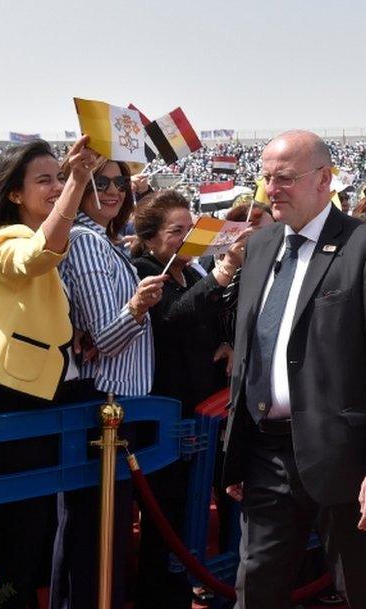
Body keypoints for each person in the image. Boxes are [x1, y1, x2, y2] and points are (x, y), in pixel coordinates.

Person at [221, 130, 366, 609]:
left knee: (364, 589)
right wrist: (238, 448)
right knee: (256, 587)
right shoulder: (261, 246)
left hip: (344, 460)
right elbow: (251, 348)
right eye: (266, 179)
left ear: (324, 179)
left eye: (284, 178)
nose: (272, 189)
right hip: (267, 453)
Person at [0, 137, 95, 609]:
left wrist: (71, 340)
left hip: (40, 393)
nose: (55, 187)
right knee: (15, 528)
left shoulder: (44, 235)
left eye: (59, 177)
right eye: (44, 180)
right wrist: (79, 182)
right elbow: (38, 255)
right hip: (10, 395)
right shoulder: (2, 238)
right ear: (13, 193)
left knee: (33, 524)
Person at [52, 158, 166, 609]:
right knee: (95, 531)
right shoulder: (85, 242)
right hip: (105, 401)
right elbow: (107, 337)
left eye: (120, 182)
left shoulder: (102, 240)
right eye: (100, 182)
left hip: (114, 399)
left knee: (101, 528)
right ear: (78, 186)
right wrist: (138, 305)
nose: (114, 190)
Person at [131, 190, 244, 609]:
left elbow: (213, 317)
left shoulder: (191, 274)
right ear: (150, 237)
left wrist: (228, 343)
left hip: (201, 418)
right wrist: (222, 272)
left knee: (190, 518)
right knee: (165, 518)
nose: (185, 238)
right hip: (164, 419)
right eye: (176, 231)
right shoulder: (143, 271)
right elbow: (174, 318)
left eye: (189, 229)